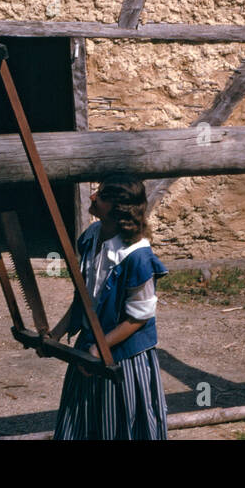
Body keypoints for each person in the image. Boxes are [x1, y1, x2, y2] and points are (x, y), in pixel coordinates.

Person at [52, 176, 169, 440]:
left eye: (102, 196)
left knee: (118, 428)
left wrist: (99, 348)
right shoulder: (92, 237)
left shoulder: (137, 256)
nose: (93, 197)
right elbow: (84, 298)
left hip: (123, 360)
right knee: (82, 425)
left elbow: (139, 318)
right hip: (90, 349)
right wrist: (56, 334)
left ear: (118, 209)